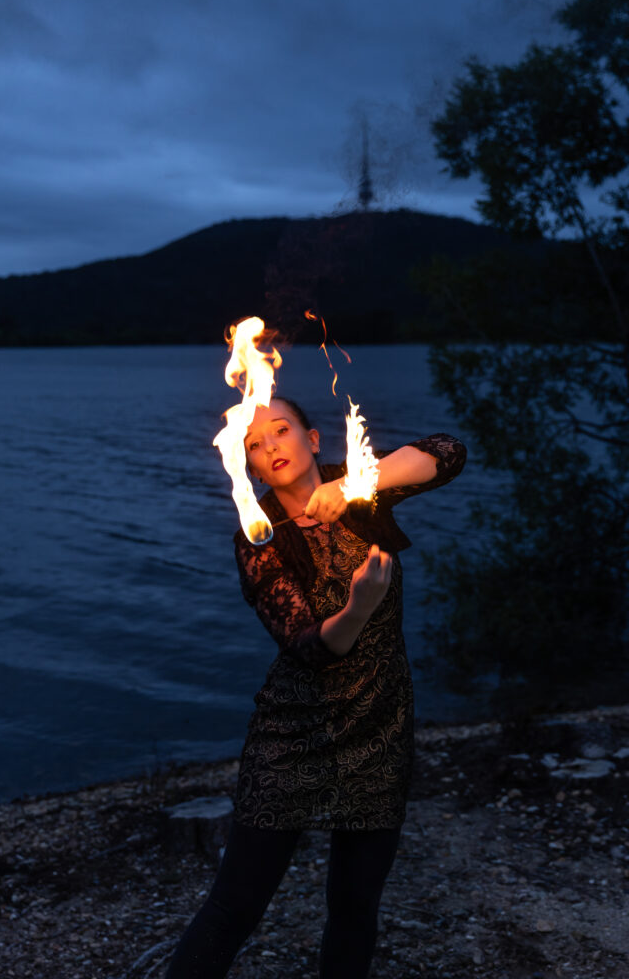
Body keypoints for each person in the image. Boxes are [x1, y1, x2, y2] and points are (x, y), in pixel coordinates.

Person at [165, 397, 466, 979]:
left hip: (379, 721)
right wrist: (358, 608)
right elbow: (304, 641)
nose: (272, 445)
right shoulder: (259, 537)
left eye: (282, 430)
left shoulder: (360, 486)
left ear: (314, 440)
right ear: (247, 464)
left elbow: (448, 453)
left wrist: (360, 481)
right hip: (295, 732)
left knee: (354, 907)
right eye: (256, 443)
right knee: (236, 907)